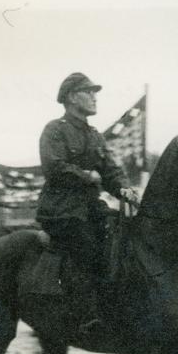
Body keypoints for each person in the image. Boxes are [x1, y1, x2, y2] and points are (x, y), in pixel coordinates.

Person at [36, 72, 138, 332]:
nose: (94, 98)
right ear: (71, 97)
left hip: (91, 209)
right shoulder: (54, 129)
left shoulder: (95, 136)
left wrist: (125, 189)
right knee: (88, 246)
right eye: (89, 92)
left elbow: (111, 170)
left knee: (121, 241)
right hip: (61, 210)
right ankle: (85, 314)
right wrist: (86, 176)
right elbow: (54, 166)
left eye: (95, 93)